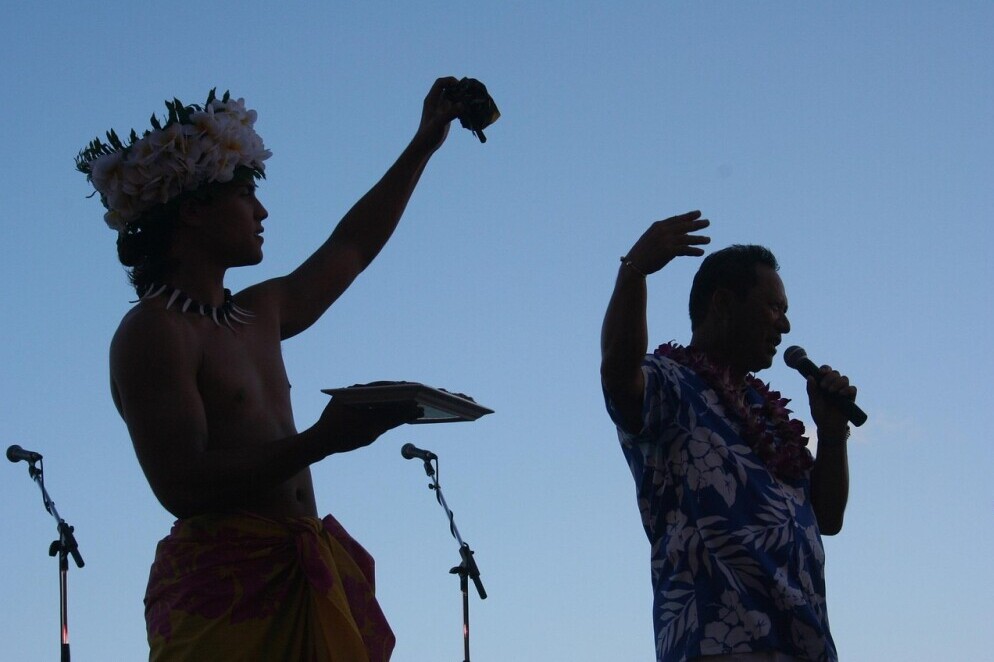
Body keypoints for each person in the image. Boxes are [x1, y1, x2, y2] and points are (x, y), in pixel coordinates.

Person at [77, 79, 467, 661]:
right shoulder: (153, 332)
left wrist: (423, 144)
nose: (262, 211)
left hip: (298, 574)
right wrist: (321, 441)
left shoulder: (258, 312)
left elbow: (352, 247)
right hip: (224, 597)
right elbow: (181, 484)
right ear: (191, 212)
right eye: (244, 196)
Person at [600, 211, 856, 662]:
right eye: (774, 308)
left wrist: (832, 436)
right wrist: (634, 271)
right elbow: (619, 376)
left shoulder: (770, 415)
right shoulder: (671, 385)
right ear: (722, 303)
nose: (785, 326)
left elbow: (828, 519)